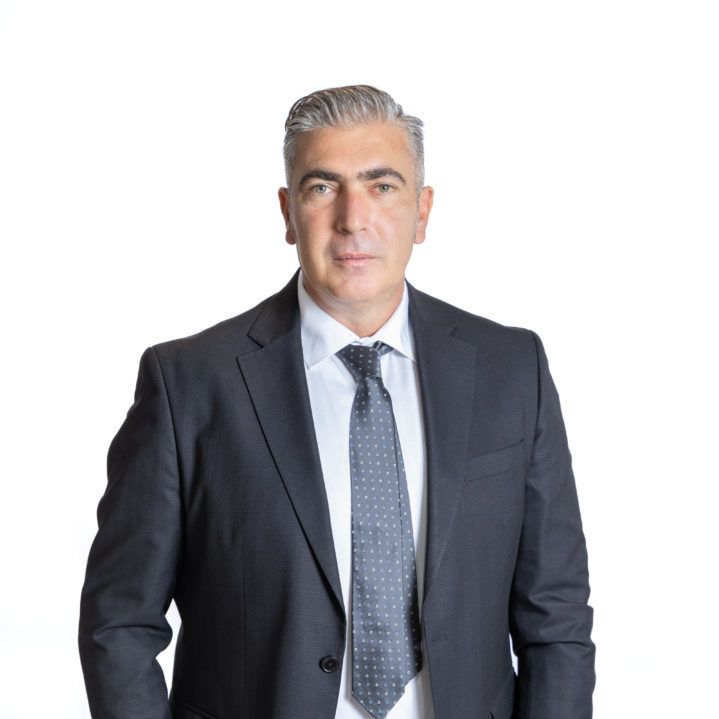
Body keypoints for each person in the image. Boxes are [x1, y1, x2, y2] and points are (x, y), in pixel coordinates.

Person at [79, 85, 595, 719]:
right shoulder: (188, 384)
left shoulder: (511, 370)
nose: (353, 218)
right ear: (288, 212)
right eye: (322, 187)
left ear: (423, 211)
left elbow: (556, 616)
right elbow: (118, 622)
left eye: (383, 186)